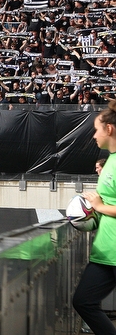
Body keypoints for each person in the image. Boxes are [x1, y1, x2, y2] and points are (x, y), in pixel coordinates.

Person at [73, 100, 116, 334]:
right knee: (83, 301)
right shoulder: (109, 161)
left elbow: (105, 205)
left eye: (96, 130)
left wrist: (98, 206)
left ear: (109, 129)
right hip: (105, 252)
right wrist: (89, 214)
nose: (93, 136)